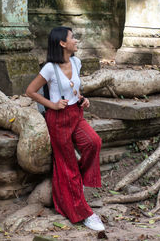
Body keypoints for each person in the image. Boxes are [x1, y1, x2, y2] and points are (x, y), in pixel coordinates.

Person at [26, 26, 105, 231]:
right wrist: (52, 105)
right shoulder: (50, 68)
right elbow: (30, 91)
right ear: (62, 43)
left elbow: (75, 90)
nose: (76, 41)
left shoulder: (76, 62)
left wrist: (82, 99)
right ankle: (84, 214)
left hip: (76, 114)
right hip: (58, 120)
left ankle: (73, 181)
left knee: (93, 142)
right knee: (67, 165)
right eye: (73, 38)